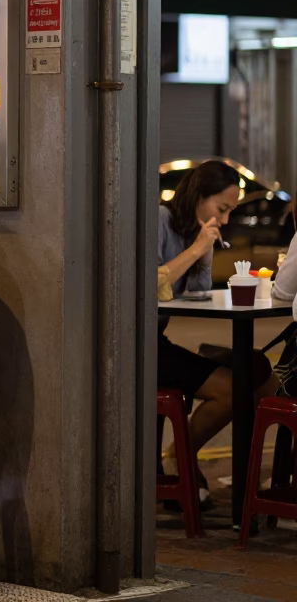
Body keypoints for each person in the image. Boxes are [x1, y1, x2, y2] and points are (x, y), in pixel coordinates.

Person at [159, 160, 278, 506]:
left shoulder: (191, 230)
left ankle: (246, 482)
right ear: (199, 195)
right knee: (231, 391)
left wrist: (205, 248)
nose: (225, 220)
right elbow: (151, 284)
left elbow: (196, 292)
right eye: (221, 209)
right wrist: (196, 247)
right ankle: (179, 457)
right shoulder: (162, 220)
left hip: (160, 344)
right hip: (137, 348)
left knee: (255, 371)